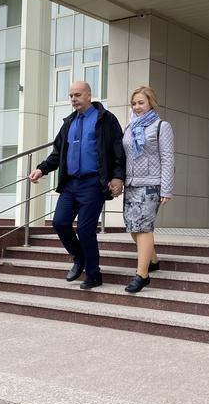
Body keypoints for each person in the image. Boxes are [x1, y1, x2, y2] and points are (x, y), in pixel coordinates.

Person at [28, 81, 125, 289]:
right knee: (60, 223)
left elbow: (118, 150)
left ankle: (94, 274)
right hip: (71, 183)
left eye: (78, 95)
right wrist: (41, 169)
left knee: (85, 229)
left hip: (93, 183)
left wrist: (118, 177)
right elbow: (57, 153)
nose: (73, 99)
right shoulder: (69, 122)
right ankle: (80, 257)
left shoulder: (105, 119)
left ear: (89, 95)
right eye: (71, 95)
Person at [121, 86, 174, 293]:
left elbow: (168, 159)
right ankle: (152, 259)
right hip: (131, 183)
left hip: (152, 184)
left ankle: (142, 275)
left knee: (143, 227)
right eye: (134, 103)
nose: (137, 107)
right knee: (133, 227)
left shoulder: (162, 126)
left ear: (150, 102)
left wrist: (166, 189)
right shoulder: (130, 127)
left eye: (141, 102)